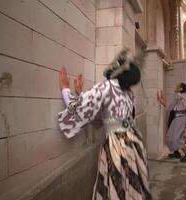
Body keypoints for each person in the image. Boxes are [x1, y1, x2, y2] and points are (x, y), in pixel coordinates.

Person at [58, 49, 152, 200]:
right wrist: (81, 94)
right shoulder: (129, 93)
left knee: (118, 188)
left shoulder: (107, 86)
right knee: (130, 187)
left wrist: (65, 90)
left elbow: (82, 110)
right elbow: (106, 118)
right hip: (134, 144)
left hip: (117, 147)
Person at [157, 83, 186, 162]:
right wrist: (163, 98)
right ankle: (176, 152)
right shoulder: (178, 96)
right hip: (178, 118)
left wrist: (160, 99)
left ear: (180, 89)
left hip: (179, 118)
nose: (175, 86)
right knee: (171, 136)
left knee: (176, 138)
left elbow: (168, 107)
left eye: (177, 86)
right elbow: (171, 105)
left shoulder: (177, 95)